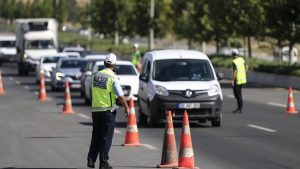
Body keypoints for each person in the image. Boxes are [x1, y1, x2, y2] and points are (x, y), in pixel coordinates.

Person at [87, 53, 130, 169]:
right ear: (114, 64)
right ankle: (103, 163)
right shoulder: (113, 77)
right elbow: (120, 96)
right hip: (107, 111)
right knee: (106, 138)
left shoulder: (95, 75)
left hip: (95, 110)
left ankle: (91, 159)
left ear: (104, 63)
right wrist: (126, 107)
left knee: (96, 135)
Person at [231, 49, 247, 113]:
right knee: (239, 94)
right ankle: (239, 108)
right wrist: (244, 73)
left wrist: (232, 80)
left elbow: (235, 72)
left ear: (232, 54)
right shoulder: (242, 59)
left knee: (237, 94)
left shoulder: (234, 61)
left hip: (237, 79)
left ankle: (240, 108)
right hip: (242, 79)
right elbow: (247, 67)